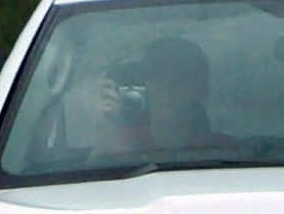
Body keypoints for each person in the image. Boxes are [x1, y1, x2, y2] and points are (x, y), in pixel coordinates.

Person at [94, 37, 237, 155]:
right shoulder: (121, 142)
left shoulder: (230, 153)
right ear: (144, 87)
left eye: (180, 80)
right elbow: (95, 181)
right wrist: (108, 127)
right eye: (158, 80)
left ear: (202, 90)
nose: (167, 89)